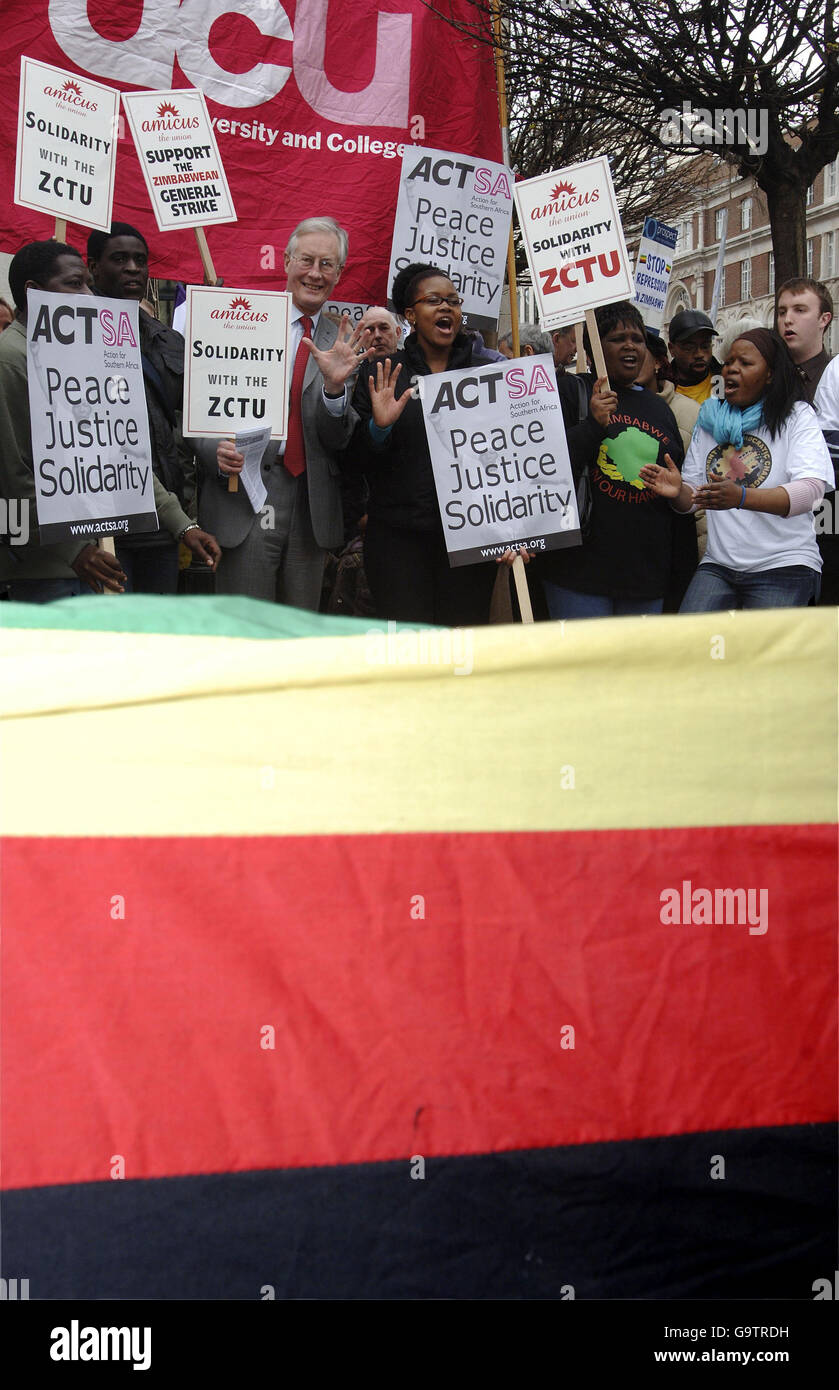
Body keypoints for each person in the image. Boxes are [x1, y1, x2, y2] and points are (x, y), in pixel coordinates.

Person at [0, 240, 218, 603]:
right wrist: (73, 553)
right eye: (73, 284)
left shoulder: (83, 358)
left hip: (97, 559)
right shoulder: (10, 359)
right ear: (33, 293)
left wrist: (182, 525)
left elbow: (119, 458)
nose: (88, 295)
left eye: (88, 283)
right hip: (46, 572)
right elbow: (12, 477)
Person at [196, 217, 372, 609]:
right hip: (243, 495)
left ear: (339, 273)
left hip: (311, 505)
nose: (315, 273)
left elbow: (337, 437)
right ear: (287, 262)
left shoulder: (343, 341)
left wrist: (334, 389)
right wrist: (216, 452)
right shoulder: (236, 321)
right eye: (306, 260)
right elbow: (197, 409)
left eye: (327, 264)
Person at [346, 261, 507, 625]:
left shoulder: (488, 376)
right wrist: (379, 428)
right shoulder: (385, 372)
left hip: (470, 540)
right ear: (410, 315)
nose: (447, 307)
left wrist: (517, 526)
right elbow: (355, 460)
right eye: (434, 300)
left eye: (453, 300)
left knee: (460, 648)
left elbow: (509, 456)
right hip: (398, 542)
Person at [640, 329, 833, 610]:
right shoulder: (710, 419)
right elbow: (693, 499)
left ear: (770, 374)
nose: (731, 369)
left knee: (761, 653)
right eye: (729, 362)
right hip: (719, 565)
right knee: (689, 647)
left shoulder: (797, 416)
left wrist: (741, 498)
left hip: (785, 564)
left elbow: (812, 493)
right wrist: (677, 491)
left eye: (745, 363)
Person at [86, 223, 214, 593]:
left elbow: (195, 412)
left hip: (161, 521)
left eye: (140, 261)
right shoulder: (71, 334)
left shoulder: (166, 339)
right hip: (101, 524)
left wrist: (219, 329)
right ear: (93, 266)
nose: (132, 269)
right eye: (119, 259)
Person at [539, 300, 685, 619]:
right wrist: (592, 426)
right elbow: (541, 467)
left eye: (637, 339)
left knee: (635, 671)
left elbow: (678, 487)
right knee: (586, 669)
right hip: (578, 574)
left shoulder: (659, 409)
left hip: (645, 579)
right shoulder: (568, 391)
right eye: (618, 339)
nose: (630, 345)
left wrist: (679, 493)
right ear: (593, 348)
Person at [776, 277, 836, 602]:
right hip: (777, 533)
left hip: (830, 522)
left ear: (824, 318)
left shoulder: (835, 377)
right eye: (782, 310)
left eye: (800, 310)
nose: (788, 319)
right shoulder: (765, 385)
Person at [667, 308, 722, 404]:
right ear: (672, 349)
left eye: (705, 346)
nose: (699, 354)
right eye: (689, 348)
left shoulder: (725, 382)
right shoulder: (660, 388)